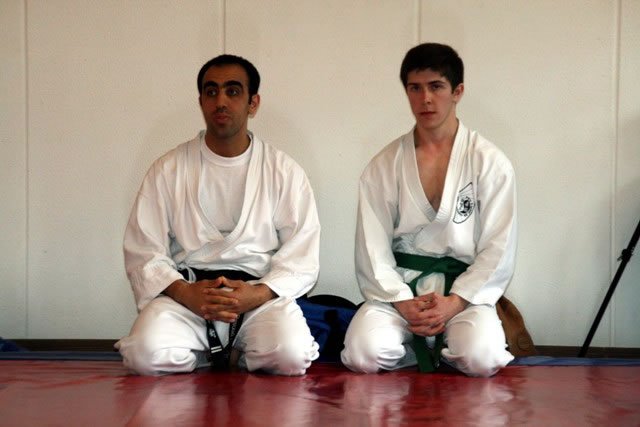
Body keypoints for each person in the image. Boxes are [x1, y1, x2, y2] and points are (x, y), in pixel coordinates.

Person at [116, 54, 321, 376]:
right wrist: (185, 293)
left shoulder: (284, 171)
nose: (221, 101)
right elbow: (144, 251)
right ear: (201, 102)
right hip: (189, 295)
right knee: (144, 355)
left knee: (292, 356)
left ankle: (235, 351)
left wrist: (258, 293)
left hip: (258, 296)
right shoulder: (168, 169)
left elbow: (301, 256)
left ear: (253, 103)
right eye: (211, 92)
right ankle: (210, 352)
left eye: (233, 91)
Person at [341, 43, 516, 377]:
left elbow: (499, 247)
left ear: (457, 91)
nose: (425, 99)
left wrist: (455, 302)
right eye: (415, 88)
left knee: (482, 357)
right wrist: (401, 300)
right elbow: (371, 247)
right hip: (401, 291)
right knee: (362, 354)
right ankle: (424, 348)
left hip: (463, 292)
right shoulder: (384, 165)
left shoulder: (489, 162)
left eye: (436, 87)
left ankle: (445, 348)